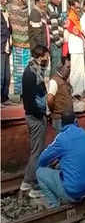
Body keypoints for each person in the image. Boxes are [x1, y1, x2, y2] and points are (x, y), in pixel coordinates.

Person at [36, 111, 85, 208]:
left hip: (73, 194)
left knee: (39, 172)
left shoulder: (61, 138)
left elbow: (42, 159)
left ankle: (54, 205)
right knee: (64, 166)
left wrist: (49, 164)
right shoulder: (84, 133)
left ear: (61, 123)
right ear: (76, 121)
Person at [20, 45, 49, 198]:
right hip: (35, 117)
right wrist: (40, 114)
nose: (47, 59)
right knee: (36, 152)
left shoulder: (35, 71)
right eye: (46, 56)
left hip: (37, 115)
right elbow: (29, 101)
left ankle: (29, 182)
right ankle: (31, 184)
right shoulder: (30, 74)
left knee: (36, 150)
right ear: (40, 57)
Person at [9, 0, 30, 98]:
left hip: (27, 43)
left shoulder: (25, 7)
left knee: (27, 69)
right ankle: (18, 93)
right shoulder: (12, 7)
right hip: (17, 42)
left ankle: (25, 92)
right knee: (18, 69)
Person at [65, 0, 85, 99]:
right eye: (77, 8)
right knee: (74, 71)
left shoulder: (77, 18)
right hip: (74, 47)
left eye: (79, 8)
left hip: (79, 47)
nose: (78, 10)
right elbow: (70, 33)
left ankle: (79, 91)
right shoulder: (70, 18)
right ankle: (73, 92)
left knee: (80, 70)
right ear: (72, 7)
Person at [47, 56, 73, 133]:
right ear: (61, 67)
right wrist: (54, 111)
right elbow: (49, 99)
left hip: (68, 118)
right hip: (59, 119)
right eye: (68, 67)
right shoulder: (54, 81)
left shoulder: (64, 80)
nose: (69, 70)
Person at [47, 0, 63, 76]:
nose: (60, 0)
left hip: (57, 43)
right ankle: (52, 88)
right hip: (55, 43)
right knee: (55, 68)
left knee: (57, 68)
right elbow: (54, 28)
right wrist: (59, 42)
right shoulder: (51, 9)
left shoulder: (56, 8)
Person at [1, 0, 13, 106]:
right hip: (1, 46)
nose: (5, 1)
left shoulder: (6, 12)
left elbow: (9, 29)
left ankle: (5, 97)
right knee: (1, 74)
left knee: (7, 75)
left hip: (7, 47)